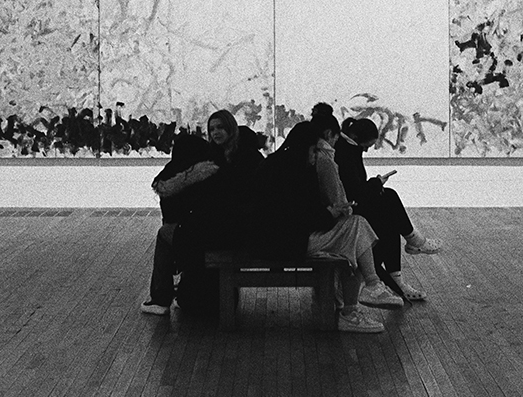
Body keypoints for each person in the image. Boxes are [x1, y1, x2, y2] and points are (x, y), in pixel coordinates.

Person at [250, 115, 402, 334]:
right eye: (314, 151)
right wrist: (330, 213)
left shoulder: (281, 165)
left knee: (356, 230)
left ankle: (368, 291)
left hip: (280, 239)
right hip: (284, 243)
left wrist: (328, 213)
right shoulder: (292, 173)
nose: (315, 157)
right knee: (356, 231)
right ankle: (361, 298)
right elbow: (298, 217)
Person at [141, 110, 263, 315]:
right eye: (212, 129)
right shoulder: (232, 155)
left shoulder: (220, 160)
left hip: (225, 229)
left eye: (220, 128)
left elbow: (225, 197)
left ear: (230, 128)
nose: (216, 133)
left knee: (165, 234)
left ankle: (160, 298)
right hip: (229, 226)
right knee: (177, 232)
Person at [334, 115, 443, 302]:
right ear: (356, 138)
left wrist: (374, 184)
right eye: (366, 145)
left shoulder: (350, 148)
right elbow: (354, 191)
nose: (367, 149)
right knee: (389, 199)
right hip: (349, 210)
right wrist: (376, 184)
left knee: (390, 215)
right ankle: (413, 242)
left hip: (351, 205)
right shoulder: (348, 152)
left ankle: (407, 255)